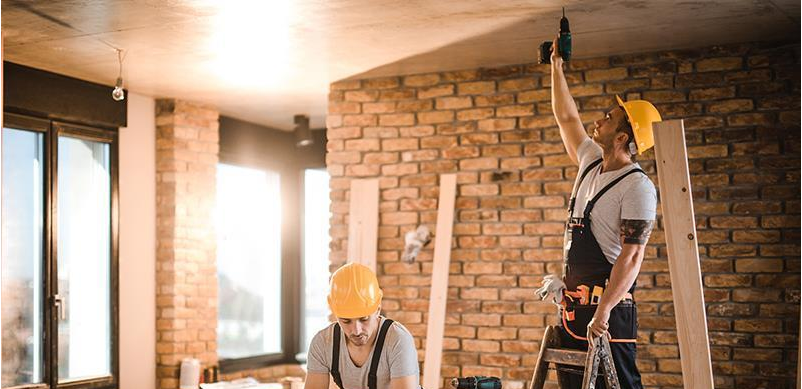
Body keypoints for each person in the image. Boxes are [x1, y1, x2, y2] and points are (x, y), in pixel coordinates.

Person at [540, 38, 661, 389]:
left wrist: (604, 311)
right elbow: (566, 117)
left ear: (622, 137)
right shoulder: (591, 162)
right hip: (575, 307)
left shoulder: (637, 187)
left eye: (608, 118)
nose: (599, 120)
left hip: (609, 314)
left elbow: (633, 255)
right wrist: (556, 68)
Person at [304, 263, 420, 389]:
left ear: (378, 310)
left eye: (364, 319)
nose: (356, 330)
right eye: (346, 321)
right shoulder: (323, 343)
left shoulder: (398, 340)